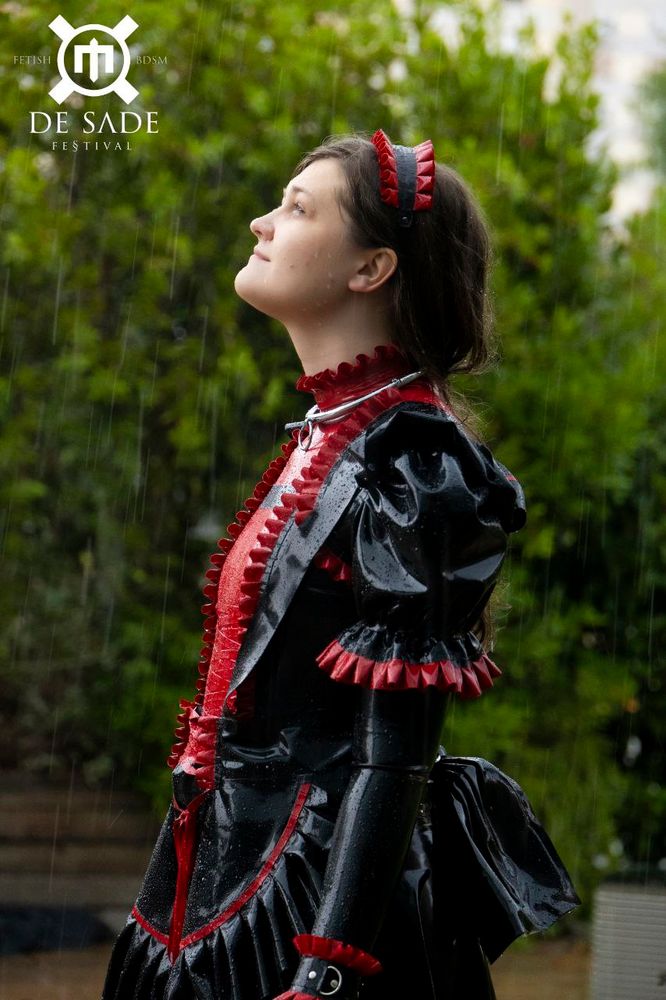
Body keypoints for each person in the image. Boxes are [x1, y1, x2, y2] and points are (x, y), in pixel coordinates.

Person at [102, 129, 579, 1000]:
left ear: (372, 269)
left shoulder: (417, 468)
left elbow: (391, 755)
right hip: (213, 863)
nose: (260, 222)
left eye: (295, 207)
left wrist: (329, 961)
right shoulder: (327, 434)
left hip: (318, 893)